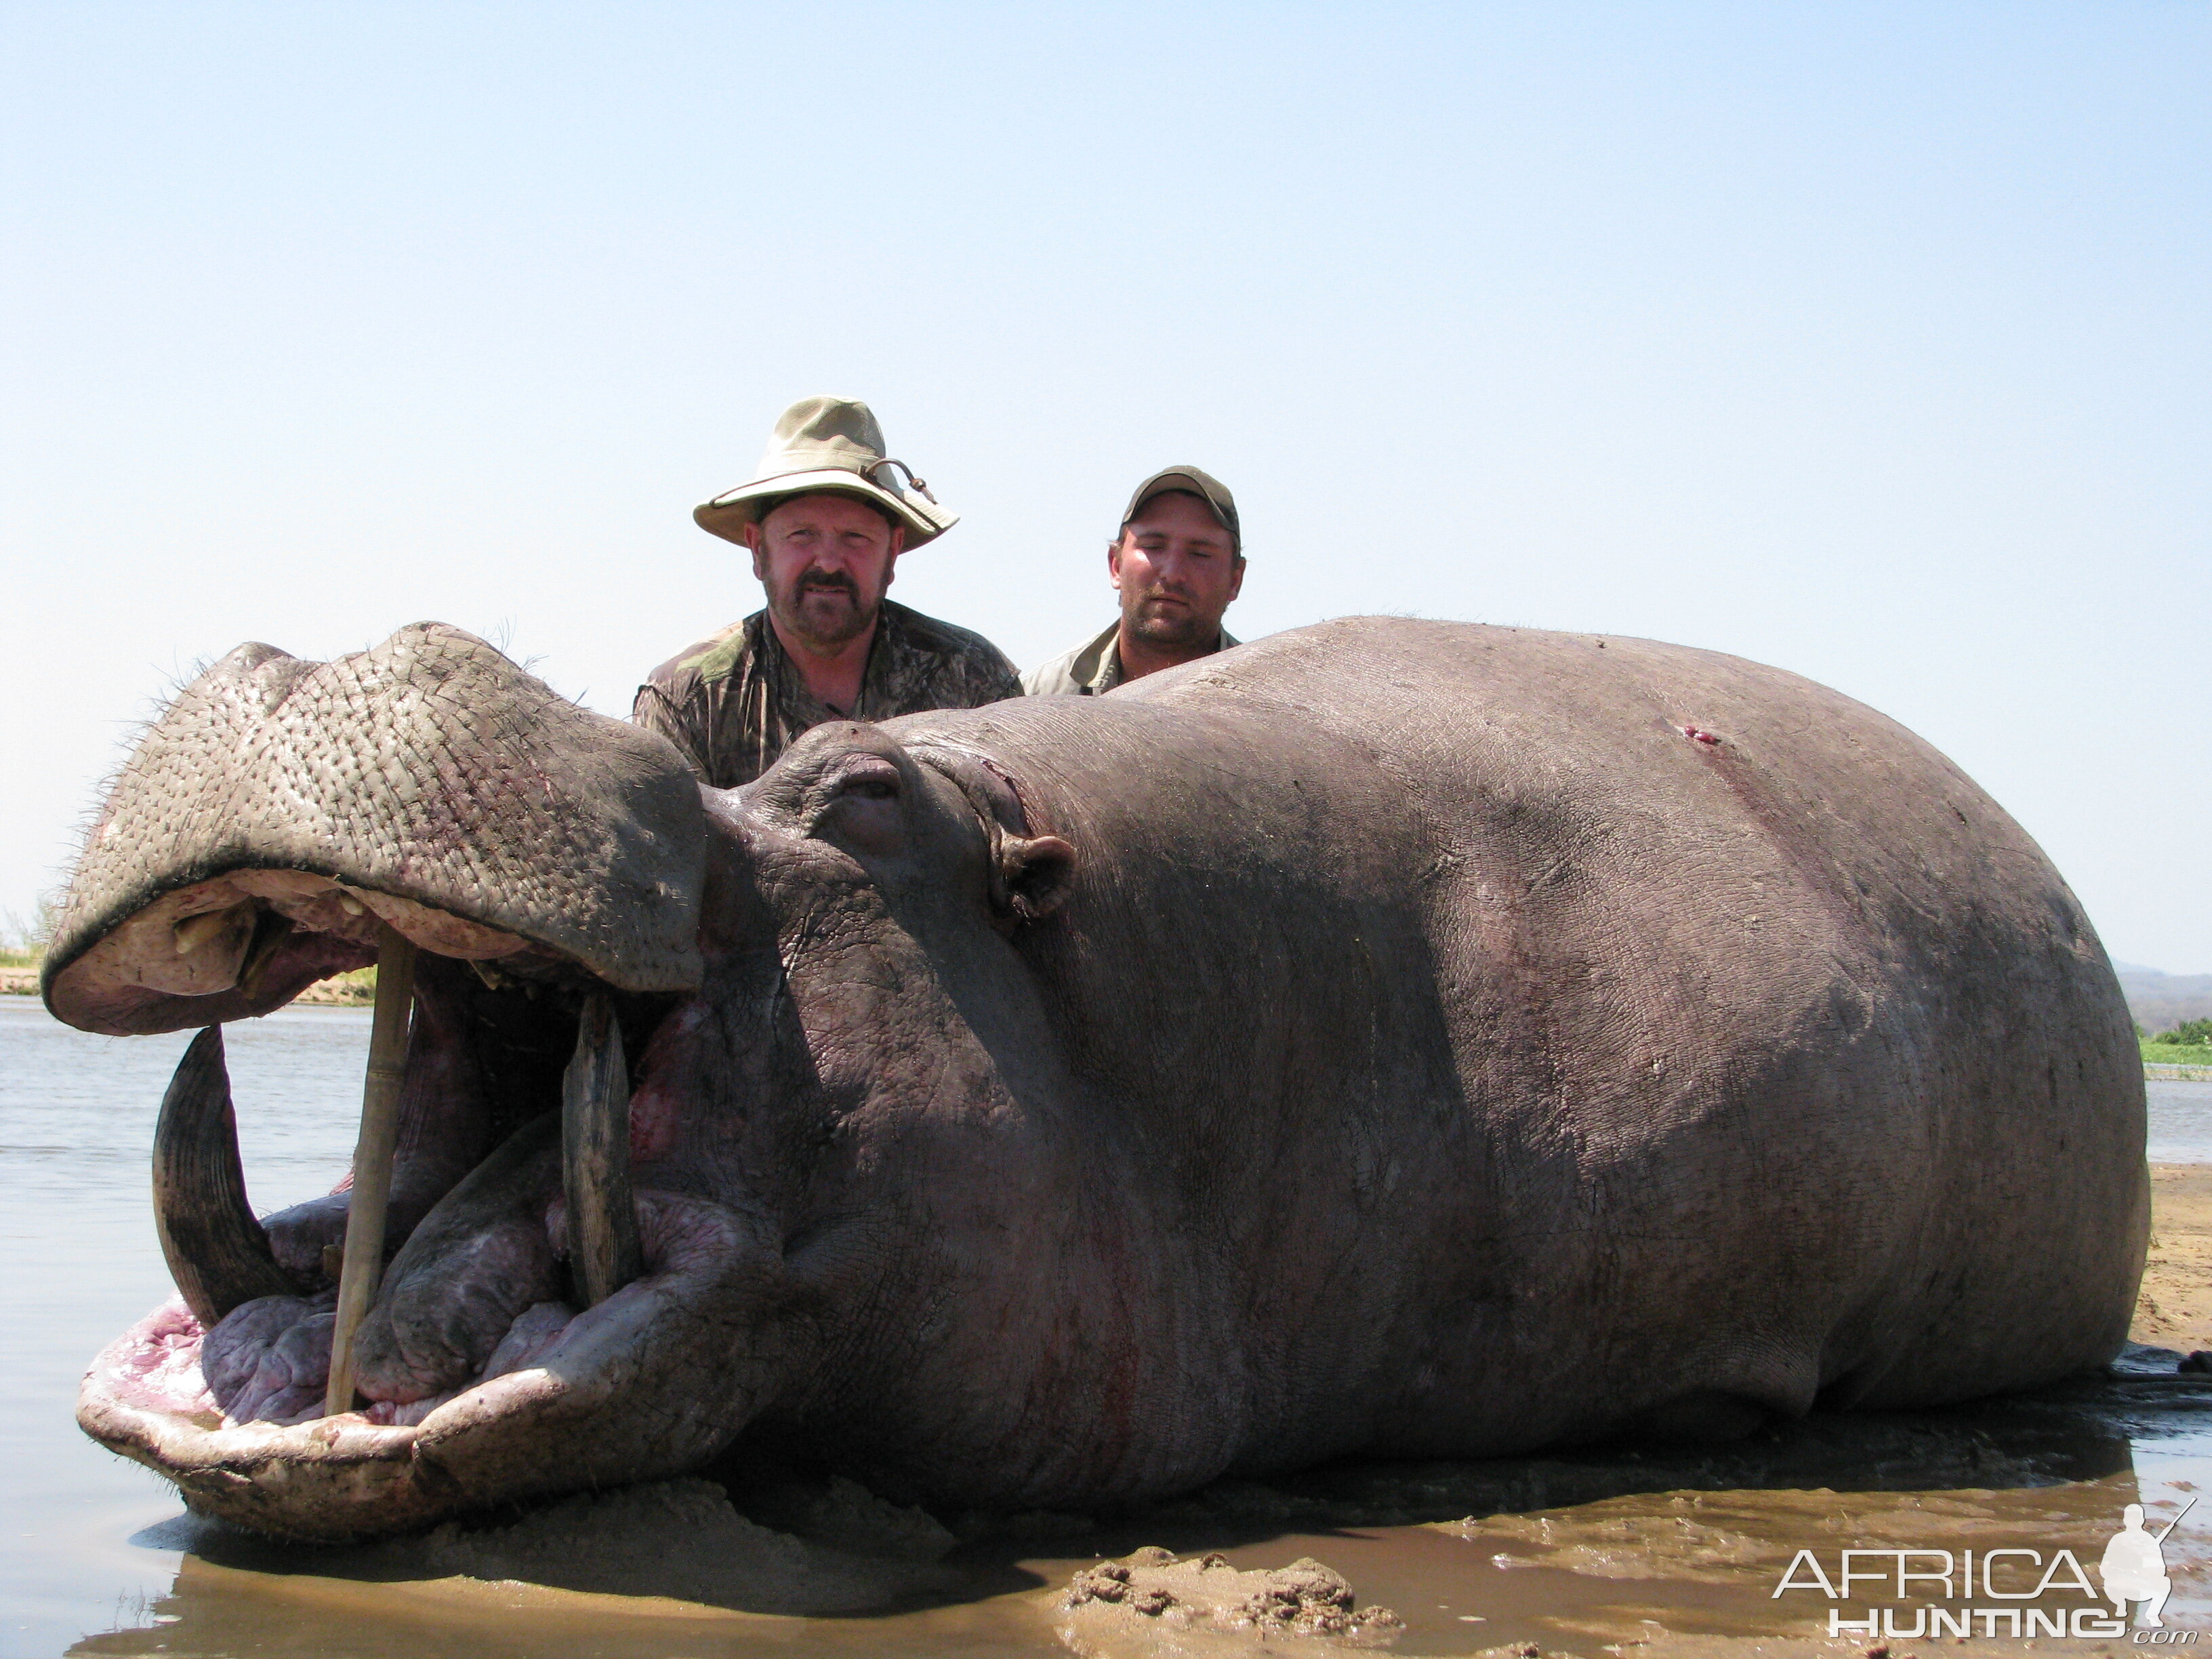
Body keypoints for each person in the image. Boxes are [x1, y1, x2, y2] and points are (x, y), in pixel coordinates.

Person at [635, 397, 1022, 787]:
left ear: (891, 553)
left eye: (855, 537)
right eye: (801, 535)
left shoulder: (975, 680)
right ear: (758, 549)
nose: (830, 562)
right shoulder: (689, 698)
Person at [1023, 466, 1245, 695]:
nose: (1172, 573)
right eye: (1153, 547)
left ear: (1235, 579)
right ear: (1115, 566)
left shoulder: (1274, 707)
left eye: (1200, 554)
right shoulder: (1034, 698)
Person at [2100, 1504, 2173, 1627]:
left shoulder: (2149, 1540)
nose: (2133, 1523)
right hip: (2120, 1587)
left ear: (2142, 1521)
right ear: (2125, 1521)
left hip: (2141, 1586)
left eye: (2136, 1519)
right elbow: (2104, 1568)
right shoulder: (2117, 1539)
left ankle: (2152, 1615)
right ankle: (2121, 1605)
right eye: (2130, 1519)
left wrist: (2145, 1567)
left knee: (2165, 1582)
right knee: (2109, 1581)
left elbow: (2160, 1569)